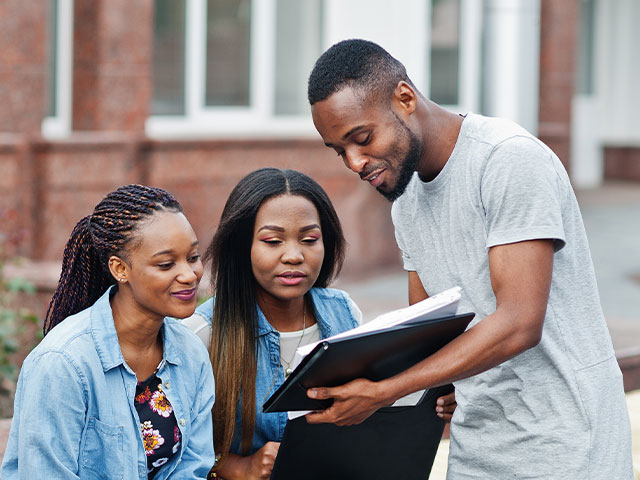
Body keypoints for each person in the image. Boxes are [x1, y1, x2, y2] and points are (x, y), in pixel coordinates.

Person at [305, 39, 634, 478]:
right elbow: (428, 329)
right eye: (338, 150)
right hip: (478, 448)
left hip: (568, 445)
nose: (354, 162)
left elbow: (519, 322)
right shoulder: (406, 203)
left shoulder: (507, 160)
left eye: (361, 139)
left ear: (404, 98)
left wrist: (385, 391)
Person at [1, 185, 215, 479]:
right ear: (120, 269)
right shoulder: (63, 363)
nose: (189, 275)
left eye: (192, 257)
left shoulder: (191, 353)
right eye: (166, 264)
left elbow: (192, 467)